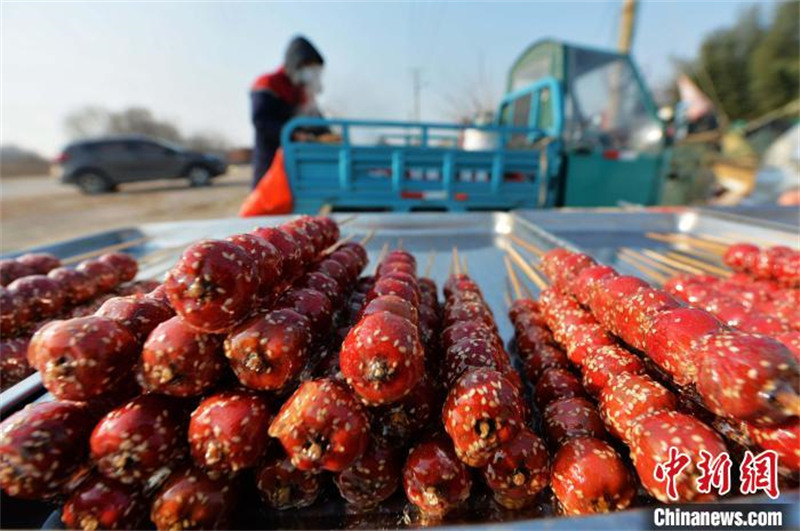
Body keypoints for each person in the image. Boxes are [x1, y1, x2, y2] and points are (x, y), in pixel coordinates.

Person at [250, 36, 325, 188]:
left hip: (295, 163)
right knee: (269, 204)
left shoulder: (302, 91)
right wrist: (293, 134)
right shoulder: (268, 83)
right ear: (294, 63)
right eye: (306, 66)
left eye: (313, 67)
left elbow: (317, 122)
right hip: (270, 159)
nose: (310, 72)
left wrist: (330, 135)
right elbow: (261, 121)